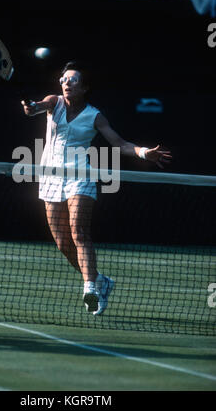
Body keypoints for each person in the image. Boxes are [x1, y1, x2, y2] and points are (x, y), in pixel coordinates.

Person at [21, 61, 172, 316]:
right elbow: (36, 108)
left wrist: (145, 153)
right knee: (63, 244)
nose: (67, 83)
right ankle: (101, 280)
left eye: (74, 80)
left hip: (81, 177)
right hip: (50, 177)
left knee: (79, 231)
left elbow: (120, 144)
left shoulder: (95, 115)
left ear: (85, 88)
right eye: (64, 79)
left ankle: (89, 288)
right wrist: (31, 107)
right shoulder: (54, 102)